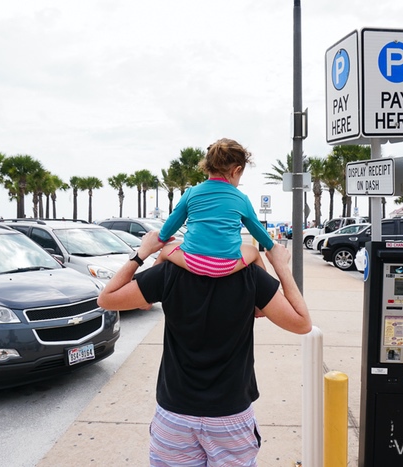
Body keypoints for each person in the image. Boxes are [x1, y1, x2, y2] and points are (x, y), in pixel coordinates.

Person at [97, 231, 311, 466]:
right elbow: (301, 323)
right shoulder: (251, 275)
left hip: (175, 415)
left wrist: (141, 253)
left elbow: (107, 299)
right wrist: (280, 265)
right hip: (231, 415)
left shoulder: (168, 272)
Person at [156, 138, 274, 278]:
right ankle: (266, 296)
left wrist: (161, 238)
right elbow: (258, 232)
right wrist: (272, 246)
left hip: (192, 261)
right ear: (236, 171)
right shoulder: (241, 199)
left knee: (165, 252)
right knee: (254, 252)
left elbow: (169, 228)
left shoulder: (191, 193)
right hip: (226, 265)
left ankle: (148, 296)